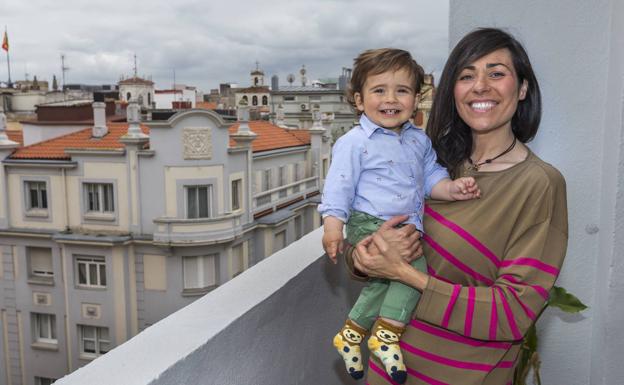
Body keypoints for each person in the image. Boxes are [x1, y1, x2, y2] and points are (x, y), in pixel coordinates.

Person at [343, 28, 568, 385]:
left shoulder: (539, 184)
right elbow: (365, 230)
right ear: (453, 90)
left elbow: (514, 313)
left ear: (522, 89)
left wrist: (407, 275)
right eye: (467, 75)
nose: (480, 86)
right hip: (388, 369)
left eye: (496, 73)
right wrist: (362, 257)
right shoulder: (430, 159)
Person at [318, 48, 481, 383]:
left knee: (382, 283)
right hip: (369, 223)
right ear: (359, 100)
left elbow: (431, 176)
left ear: (416, 98)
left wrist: (451, 189)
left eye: (402, 90)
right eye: (379, 90)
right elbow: (338, 187)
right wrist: (333, 228)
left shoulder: (418, 140)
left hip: (403, 225)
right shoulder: (354, 143)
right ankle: (386, 337)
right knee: (412, 274)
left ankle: (351, 335)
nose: (390, 99)